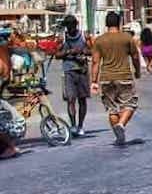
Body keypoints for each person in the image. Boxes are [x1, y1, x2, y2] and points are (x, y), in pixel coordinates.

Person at [90, 12, 142, 147]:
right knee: (130, 104)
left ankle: (120, 138)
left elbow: (95, 62)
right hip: (124, 76)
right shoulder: (127, 38)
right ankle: (121, 124)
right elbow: (135, 56)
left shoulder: (99, 40)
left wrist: (94, 81)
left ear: (106, 24)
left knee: (112, 109)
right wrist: (137, 71)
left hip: (106, 78)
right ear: (119, 23)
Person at [56, 15, 92, 137]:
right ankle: (73, 125)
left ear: (76, 24)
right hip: (69, 71)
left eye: (72, 25)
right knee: (71, 99)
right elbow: (56, 54)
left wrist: (81, 51)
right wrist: (68, 52)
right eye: (68, 26)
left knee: (82, 99)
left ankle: (81, 125)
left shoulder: (84, 35)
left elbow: (91, 51)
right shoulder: (63, 38)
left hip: (82, 70)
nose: (70, 28)